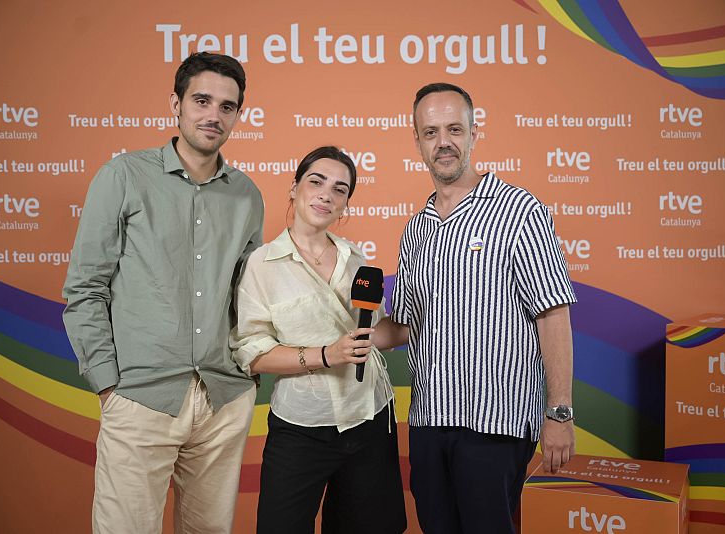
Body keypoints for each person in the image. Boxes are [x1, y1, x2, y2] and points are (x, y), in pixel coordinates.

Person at [62, 52, 263, 534]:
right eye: (201, 101)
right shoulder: (124, 176)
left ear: (238, 114)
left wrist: (249, 380)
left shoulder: (247, 195)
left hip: (223, 399)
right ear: (175, 104)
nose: (214, 115)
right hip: (139, 396)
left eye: (227, 106)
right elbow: (86, 287)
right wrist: (108, 384)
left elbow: (248, 297)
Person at [377, 83, 577, 534]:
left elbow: (553, 313)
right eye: (431, 132)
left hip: (496, 424)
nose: (443, 142)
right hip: (430, 421)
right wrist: (345, 339)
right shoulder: (416, 229)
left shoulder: (519, 210)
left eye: (454, 129)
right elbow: (405, 325)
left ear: (473, 133)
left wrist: (560, 411)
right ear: (417, 141)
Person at [231, 146, 407, 534]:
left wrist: (429, 321)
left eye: (340, 189)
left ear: (345, 205)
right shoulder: (261, 265)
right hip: (302, 427)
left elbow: (372, 334)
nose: (326, 194)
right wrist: (327, 354)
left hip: (371, 416)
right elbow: (252, 353)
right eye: (316, 182)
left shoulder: (356, 258)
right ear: (294, 189)